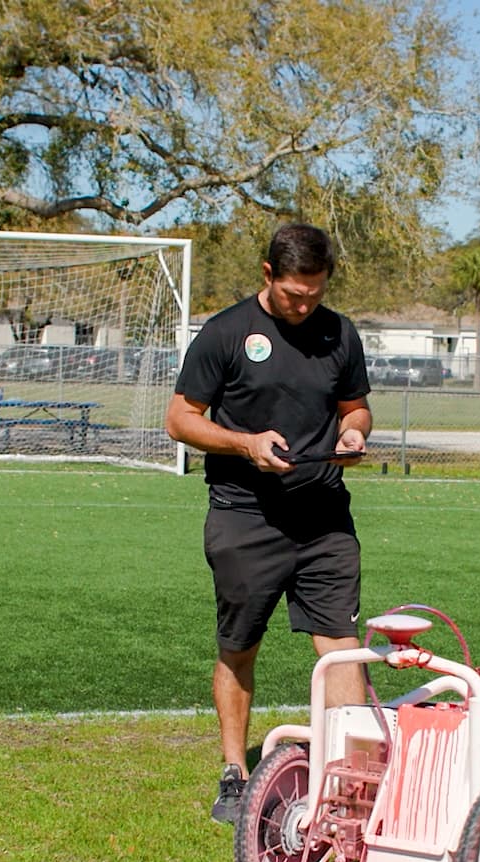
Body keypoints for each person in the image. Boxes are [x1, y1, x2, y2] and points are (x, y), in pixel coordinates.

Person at [163, 223, 372, 825]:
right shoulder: (226, 333)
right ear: (267, 275)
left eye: (314, 294)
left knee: (341, 649)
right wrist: (243, 444)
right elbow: (180, 420)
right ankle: (234, 773)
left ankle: (350, 787)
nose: (304, 306)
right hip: (245, 516)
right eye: (292, 295)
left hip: (325, 515)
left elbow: (355, 405)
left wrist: (355, 431)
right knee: (239, 647)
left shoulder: (340, 333)